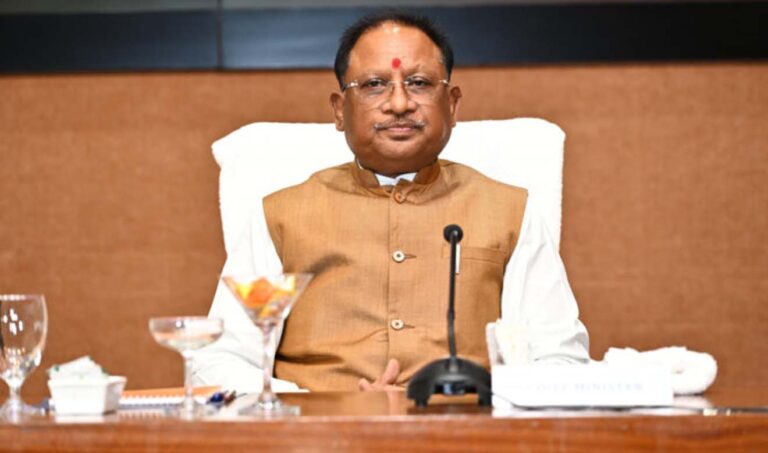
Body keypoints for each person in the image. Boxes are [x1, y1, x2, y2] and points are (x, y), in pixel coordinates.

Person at [192, 11, 589, 392]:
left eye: (418, 83)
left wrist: (476, 400)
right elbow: (221, 359)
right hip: (318, 426)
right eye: (374, 84)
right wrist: (322, 407)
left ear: (452, 104)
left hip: (464, 423)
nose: (399, 104)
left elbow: (560, 358)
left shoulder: (509, 211)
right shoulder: (280, 217)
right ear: (339, 110)